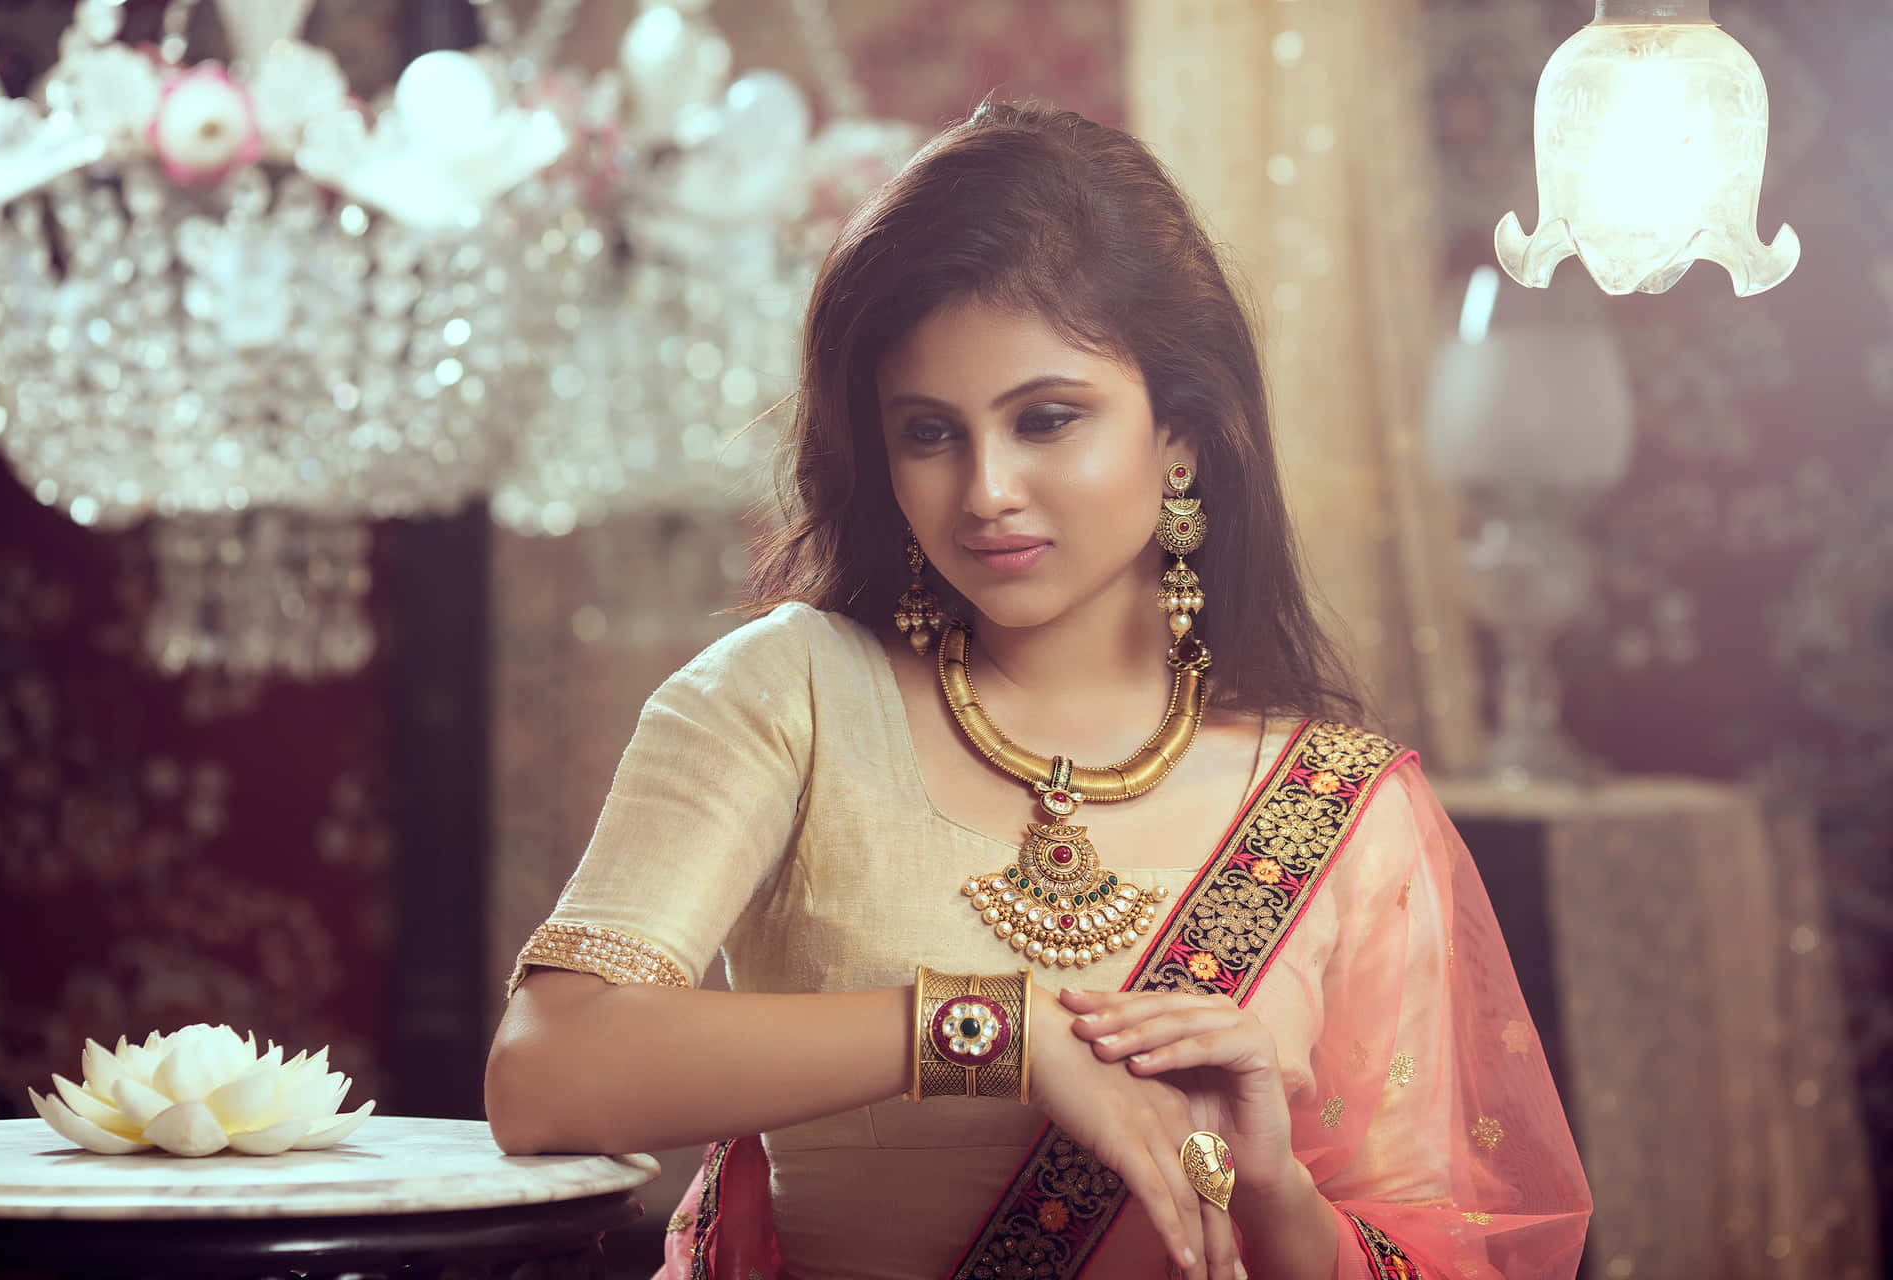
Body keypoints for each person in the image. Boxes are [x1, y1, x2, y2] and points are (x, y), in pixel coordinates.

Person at [485, 101, 1591, 1280]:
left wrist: (1268, 1189)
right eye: (929, 433)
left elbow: (1437, 1252)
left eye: (1047, 418)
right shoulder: (788, 695)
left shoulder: (1340, 808)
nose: (988, 489)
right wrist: (988, 1027)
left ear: (1182, 435)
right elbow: (547, 1072)